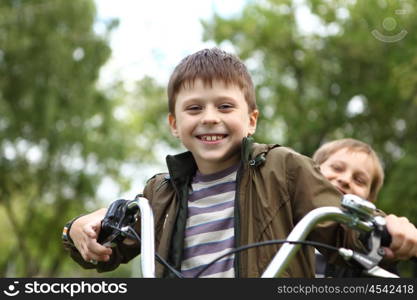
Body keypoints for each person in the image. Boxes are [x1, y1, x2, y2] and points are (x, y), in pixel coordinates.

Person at [61, 48, 417, 278]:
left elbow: (344, 225)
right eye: (194, 108)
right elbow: (107, 249)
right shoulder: (161, 190)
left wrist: (389, 232)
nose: (210, 118)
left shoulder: (283, 168)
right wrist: (79, 229)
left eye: (225, 106)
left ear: (251, 120)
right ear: (175, 125)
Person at [312, 138, 397, 277]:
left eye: (359, 180)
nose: (345, 179)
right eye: (337, 168)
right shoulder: (279, 221)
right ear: (312, 170)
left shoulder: (365, 258)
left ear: (369, 200)